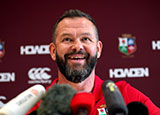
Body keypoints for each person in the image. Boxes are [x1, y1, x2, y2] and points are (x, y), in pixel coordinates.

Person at [28, 9, 160, 115]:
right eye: (67, 39)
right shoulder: (38, 107)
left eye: (85, 39)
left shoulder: (124, 95)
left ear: (98, 49)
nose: (77, 46)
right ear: (52, 51)